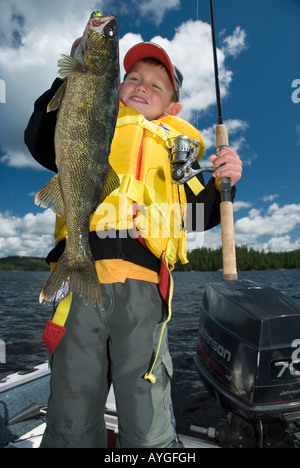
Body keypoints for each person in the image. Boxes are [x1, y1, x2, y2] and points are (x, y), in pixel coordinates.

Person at [25, 41, 242, 448]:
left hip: (144, 288)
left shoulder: (179, 152)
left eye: (156, 86)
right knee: (71, 405)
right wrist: (73, 75)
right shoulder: (97, 121)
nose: (141, 87)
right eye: (133, 79)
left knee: (146, 412)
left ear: (173, 108)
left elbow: (198, 217)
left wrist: (225, 181)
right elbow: (39, 138)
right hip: (77, 281)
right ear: (117, 87)